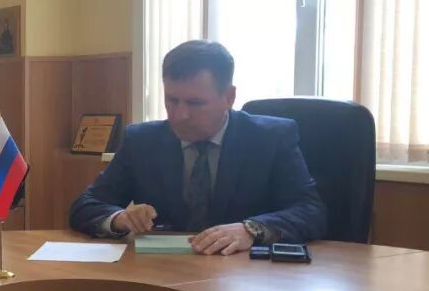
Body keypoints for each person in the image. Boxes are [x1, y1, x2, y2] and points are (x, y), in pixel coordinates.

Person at [69, 40, 326, 255]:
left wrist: (251, 229)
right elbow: (86, 205)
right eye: (172, 100)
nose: (179, 115)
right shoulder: (142, 141)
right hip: (166, 273)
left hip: (245, 278)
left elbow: (311, 212)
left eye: (195, 103)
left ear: (229, 97)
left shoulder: (270, 138)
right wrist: (120, 218)